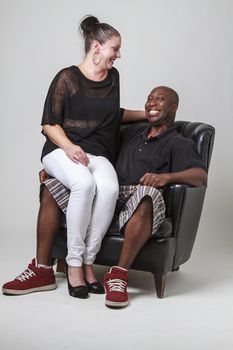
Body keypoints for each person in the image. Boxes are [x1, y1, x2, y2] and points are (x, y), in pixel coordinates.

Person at [2, 86, 207, 308]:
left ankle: (118, 276)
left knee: (148, 193)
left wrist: (165, 177)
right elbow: (104, 116)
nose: (152, 103)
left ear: (174, 106)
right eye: (149, 99)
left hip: (139, 199)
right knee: (52, 185)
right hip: (107, 193)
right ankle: (42, 270)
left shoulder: (178, 142)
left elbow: (200, 176)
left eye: (160, 99)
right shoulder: (132, 133)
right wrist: (59, 168)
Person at [2, 15, 145, 300]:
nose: (119, 55)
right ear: (96, 47)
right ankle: (75, 264)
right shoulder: (66, 78)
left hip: (97, 153)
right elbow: (48, 124)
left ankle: (90, 261)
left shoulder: (113, 78)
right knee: (84, 185)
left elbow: (110, 116)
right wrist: (69, 147)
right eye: (115, 48)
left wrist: (146, 114)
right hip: (60, 151)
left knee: (110, 189)